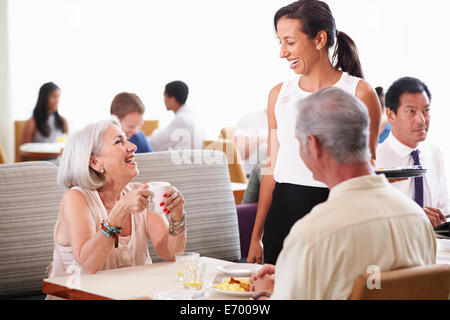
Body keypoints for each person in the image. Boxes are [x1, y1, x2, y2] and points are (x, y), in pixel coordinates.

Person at [250, 87, 436, 300]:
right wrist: (292, 275)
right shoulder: (418, 220)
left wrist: (266, 293)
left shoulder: (312, 235)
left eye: (299, 143)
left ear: (313, 144)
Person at [248, 0, 382, 265]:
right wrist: (256, 236)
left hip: (338, 211)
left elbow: (369, 166)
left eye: (290, 42)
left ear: (319, 39)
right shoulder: (279, 94)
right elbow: (271, 168)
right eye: (280, 42)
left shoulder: (360, 93)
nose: (282, 53)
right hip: (283, 212)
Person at [46, 118, 186, 299]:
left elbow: (171, 253)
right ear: (95, 163)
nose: (133, 147)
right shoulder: (76, 198)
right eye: (119, 141)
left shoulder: (140, 193)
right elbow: (90, 263)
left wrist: (177, 215)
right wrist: (121, 210)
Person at [377, 77, 449, 226]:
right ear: (390, 115)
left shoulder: (435, 154)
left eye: (426, 111)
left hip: (432, 246)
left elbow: (444, 208)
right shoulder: (376, 161)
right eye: (411, 111)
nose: (422, 120)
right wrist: (413, 220)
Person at [147, 81, 203, 151]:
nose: (164, 100)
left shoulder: (182, 119)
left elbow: (154, 143)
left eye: (165, 97)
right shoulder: (192, 115)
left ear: (172, 99)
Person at [234, 109, 268, 176]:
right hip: (253, 177)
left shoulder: (292, 119)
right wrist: (269, 139)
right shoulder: (250, 119)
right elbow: (238, 153)